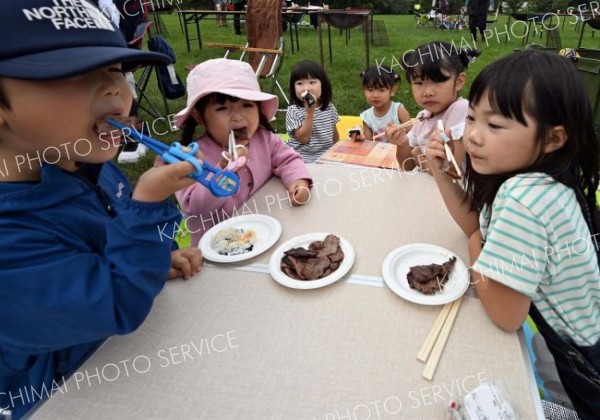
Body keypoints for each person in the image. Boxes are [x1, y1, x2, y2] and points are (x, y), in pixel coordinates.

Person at [0, 1, 203, 418]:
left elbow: (112, 249)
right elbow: (113, 303)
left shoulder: (85, 166)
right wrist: (150, 204)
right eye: (74, 73)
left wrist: (150, 257)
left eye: (115, 70)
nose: (114, 90)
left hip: (130, 359)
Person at [426, 50, 600, 418]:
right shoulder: (543, 179)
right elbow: (477, 220)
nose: (472, 136)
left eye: (495, 126)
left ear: (553, 138)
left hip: (583, 371)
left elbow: (505, 315)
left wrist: (476, 241)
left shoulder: (524, 200)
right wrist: (440, 172)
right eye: (472, 117)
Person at [175, 59, 312, 247]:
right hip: (216, 246)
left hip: (262, 231)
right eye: (222, 108)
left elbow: (288, 160)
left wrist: (298, 182)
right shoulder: (191, 159)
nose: (237, 116)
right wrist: (223, 173)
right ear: (199, 116)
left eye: (247, 105)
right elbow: (195, 208)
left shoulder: (264, 139)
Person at [386, 41, 479, 172]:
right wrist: (402, 143)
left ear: (459, 81)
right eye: (419, 82)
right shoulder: (422, 117)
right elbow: (407, 166)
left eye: (437, 81)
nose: (428, 92)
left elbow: (448, 169)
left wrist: (418, 156)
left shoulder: (460, 109)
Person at [286, 60, 340, 163]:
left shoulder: (329, 108)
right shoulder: (293, 111)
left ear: (322, 85)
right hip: (300, 157)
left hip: (325, 156)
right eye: (300, 83)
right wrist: (310, 113)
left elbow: (334, 135)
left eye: (312, 82)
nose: (306, 88)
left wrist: (337, 152)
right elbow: (303, 139)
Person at [352, 65, 411, 142]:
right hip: (379, 152)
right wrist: (359, 138)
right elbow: (368, 141)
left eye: (381, 90)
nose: (375, 95)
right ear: (364, 90)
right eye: (370, 90)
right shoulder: (366, 117)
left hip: (400, 150)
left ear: (392, 90)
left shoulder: (398, 110)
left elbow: (413, 134)